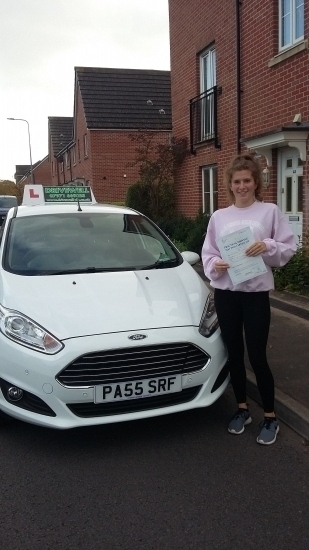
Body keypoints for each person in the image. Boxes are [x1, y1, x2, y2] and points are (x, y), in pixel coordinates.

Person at [202, 153, 297, 445]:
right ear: (229, 185)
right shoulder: (219, 217)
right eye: (236, 181)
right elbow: (209, 252)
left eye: (247, 180)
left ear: (255, 183)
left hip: (255, 294)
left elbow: (287, 247)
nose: (242, 186)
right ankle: (242, 409)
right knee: (233, 354)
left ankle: (270, 416)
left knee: (257, 355)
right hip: (227, 294)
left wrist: (266, 245)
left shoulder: (269, 212)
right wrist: (214, 265)